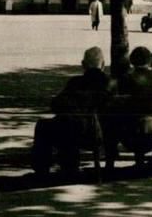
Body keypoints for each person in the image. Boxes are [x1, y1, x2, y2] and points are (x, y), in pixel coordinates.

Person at [32, 46, 114, 179]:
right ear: (103, 64)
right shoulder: (110, 83)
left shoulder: (75, 83)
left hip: (76, 131)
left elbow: (56, 104)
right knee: (69, 125)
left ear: (83, 65)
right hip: (102, 133)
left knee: (45, 125)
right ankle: (68, 166)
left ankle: (43, 169)